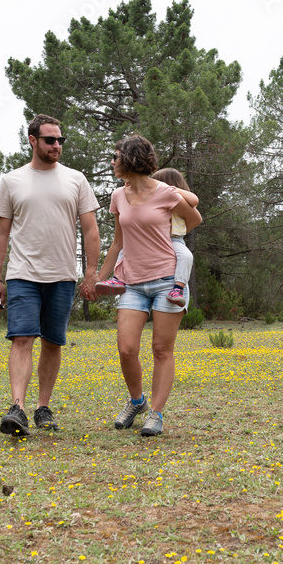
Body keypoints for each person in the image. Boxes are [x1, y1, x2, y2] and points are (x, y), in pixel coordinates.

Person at [0, 114, 100, 437]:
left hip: (63, 275)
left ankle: (42, 408)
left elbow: (91, 228)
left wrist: (91, 271)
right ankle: (17, 409)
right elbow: (0, 233)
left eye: (60, 140)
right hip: (22, 273)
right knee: (22, 338)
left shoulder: (76, 180)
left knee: (53, 342)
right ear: (32, 140)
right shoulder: (12, 181)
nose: (56, 146)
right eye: (50, 140)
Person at [86, 136, 202, 437]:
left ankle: (156, 413)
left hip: (167, 281)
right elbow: (118, 242)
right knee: (126, 349)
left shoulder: (166, 192)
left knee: (162, 349)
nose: (112, 162)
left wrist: (169, 237)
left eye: (116, 157)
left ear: (131, 159)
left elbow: (194, 219)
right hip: (132, 283)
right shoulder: (117, 197)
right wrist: (99, 278)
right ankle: (137, 401)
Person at [95, 168, 198, 307]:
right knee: (125, 250)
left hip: (174, 240)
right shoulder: (145, 199)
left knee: (186, 256)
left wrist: (169, 189)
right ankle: (117, 278)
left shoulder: (171, 194)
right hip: (150, 242)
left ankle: (178, 288)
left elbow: (194, 202)